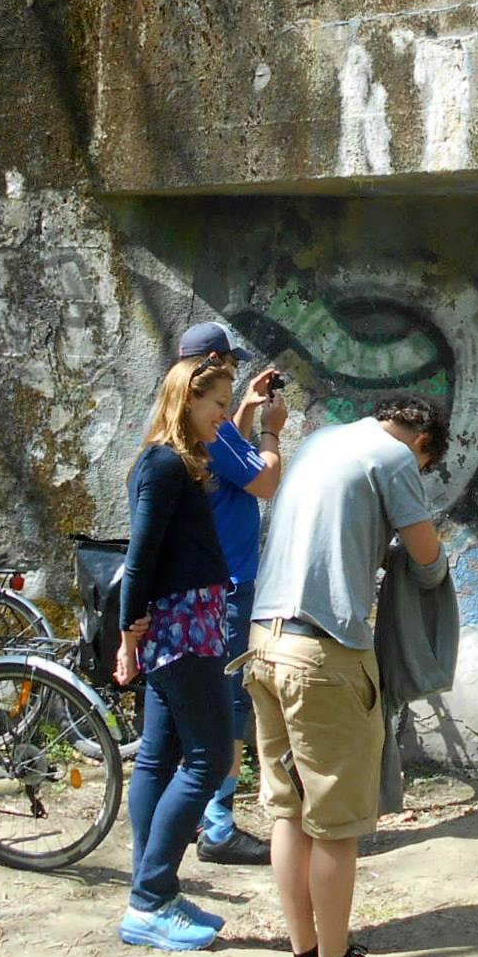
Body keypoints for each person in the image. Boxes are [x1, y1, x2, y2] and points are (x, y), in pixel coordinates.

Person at [246, 392, 450, 957]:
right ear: (422, 442)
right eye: (426, 467)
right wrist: (433, 568)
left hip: (262, 644)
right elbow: (426, 557)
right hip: (326, 655)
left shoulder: (321, 440)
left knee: (289, 812)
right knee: (335, 824)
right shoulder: (392, 458)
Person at [115, 354, 241, 950]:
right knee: (209, 759)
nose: (224, 416)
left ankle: (152, 890)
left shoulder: (178, 463)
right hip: (182, 627)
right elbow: (139, 558)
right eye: (218, 404)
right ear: (188, 399)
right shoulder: (164, 465)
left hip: (189, 623)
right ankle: (149, 900)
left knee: (158, 758)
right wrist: (127, 635)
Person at [173, 320, 287, 865]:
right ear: (213, 363)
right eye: (228, 371)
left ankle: (198, 813)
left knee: (201, 702)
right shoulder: (212, 435)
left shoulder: (194, 425)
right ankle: (218, 823)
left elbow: (229, 461)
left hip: (208, 579)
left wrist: (242, 408)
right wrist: (272, 430)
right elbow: (263, 480)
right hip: (231, 583)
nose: (235, 375)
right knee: (231, 700)